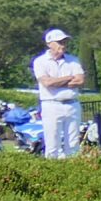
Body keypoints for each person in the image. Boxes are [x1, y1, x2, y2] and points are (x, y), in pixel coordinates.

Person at [32, 29, 85, 159]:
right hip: (51, 104)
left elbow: (80, 81)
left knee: (73, 143)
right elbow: (47, 82)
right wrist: (69, 77)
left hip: (72, 104)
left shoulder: (73, 60)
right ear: (49, 44)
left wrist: (57, 82)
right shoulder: (40, 61)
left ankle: (73, 168)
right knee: (52, 143)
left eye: (64, 42)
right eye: (60, 42)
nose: (63, 45)